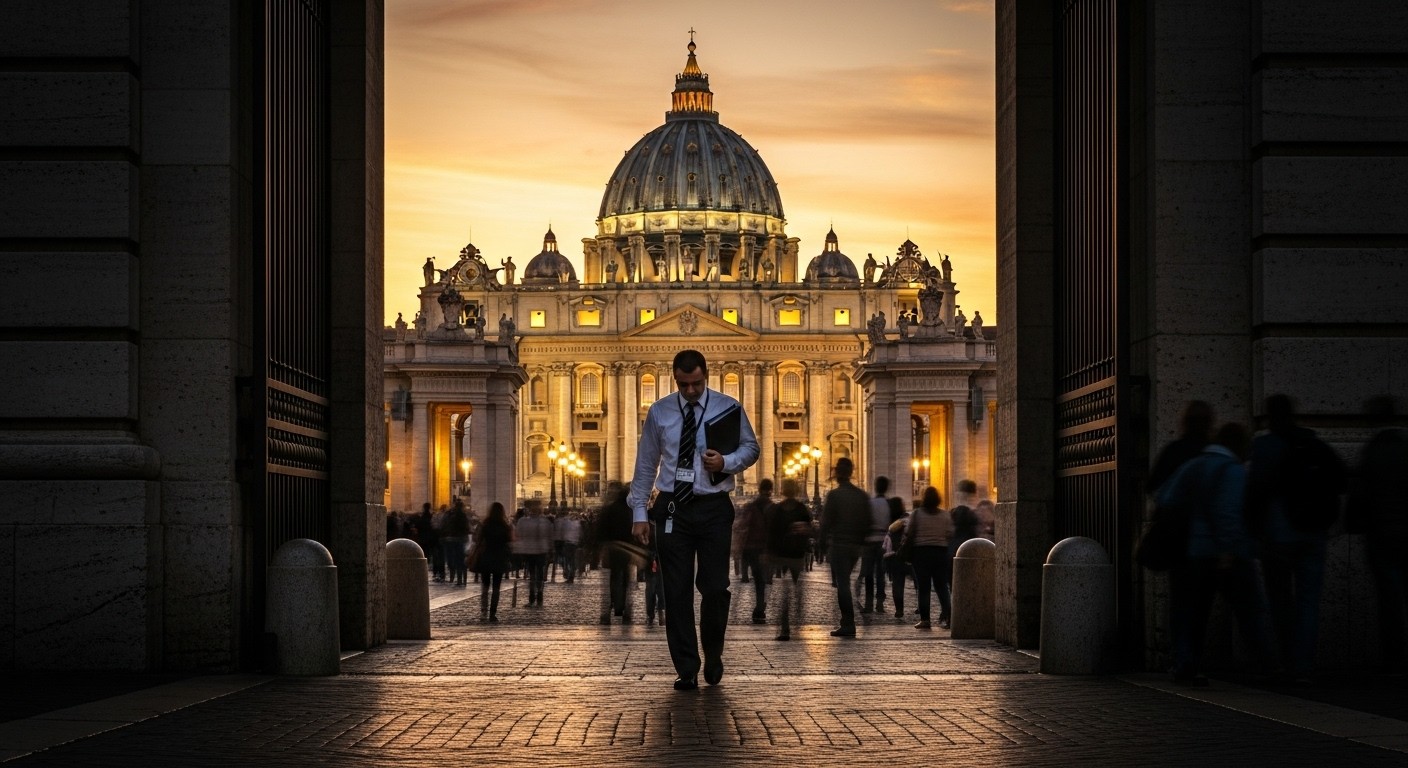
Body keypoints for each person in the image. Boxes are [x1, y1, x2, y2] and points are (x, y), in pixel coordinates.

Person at [628, 349, 760, 691]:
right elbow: (646, 464)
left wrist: (727, 462)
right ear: (675, 379)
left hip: (714, 506)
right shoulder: (659, 412)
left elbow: (751, 448)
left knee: (715, 587)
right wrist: (640, 512)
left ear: (706, 376)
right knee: (676, 590)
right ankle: (686, 666)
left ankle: (713, 652)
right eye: (683, 384)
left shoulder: (727, 407)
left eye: (696, 384)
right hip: (673, 507)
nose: (689, 391)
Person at [1157, 423, 1276, 686]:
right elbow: (1228, 513)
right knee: (1250, 610)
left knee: (1190, 612)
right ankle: (1268, 666)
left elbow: (1165, 497)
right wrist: (1227, 550)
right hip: (1223, 552)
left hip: (1190, 552)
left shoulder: (1194, 465)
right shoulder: (1231, 470)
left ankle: (1185, 664)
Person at [1247, 394, 1347, 683]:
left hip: (1277, 535)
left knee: (1280, 600)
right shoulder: (1313, 443)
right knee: (1308, 602)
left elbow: (1255, 491)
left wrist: (1253, 530)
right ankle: (1303, 664)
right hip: (1313, 533)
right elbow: (1340, 480)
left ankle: (1286, 659)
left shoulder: (1264, 445)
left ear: (1268, 415)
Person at [1347, 395, 1408, 676]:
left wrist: (1353, 524)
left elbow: (1360, 496)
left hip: (1382, 536)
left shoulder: (1372, 451)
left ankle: (1395, 659)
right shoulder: (1403, 448)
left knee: (1389, 600)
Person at [819, 457, 870, 638]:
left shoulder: (834, 495)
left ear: (837, 473)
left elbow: (825, 523)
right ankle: (848, 622)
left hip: (840, 545)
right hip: (855, 546)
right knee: (845, 582)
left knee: (843, 585)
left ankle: (848, 623)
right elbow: (868, 522)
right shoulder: (862, 496)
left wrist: (821, 545)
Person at [766, 478, 812, 640]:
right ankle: (797, 618)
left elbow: (771, 533)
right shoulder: (802, 509)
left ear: (783, 490)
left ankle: (785, 628)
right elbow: (809, 529)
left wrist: (769, 553)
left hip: (782, 556)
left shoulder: (777, 509)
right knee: (797, 589)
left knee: (784, 592)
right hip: (797, 556)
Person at [903, 487, 954, 629]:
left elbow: (909, 531)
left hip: (921, 553)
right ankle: (950, 618)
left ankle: (925, 620)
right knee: (941, 586)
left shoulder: (917, 514)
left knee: (923, 587)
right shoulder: (945, 515)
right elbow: (950, 533)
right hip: (940, 552)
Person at [1149, 401, 1215, 495]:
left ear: (1185, 422)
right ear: (1209, 423)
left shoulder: (1173, 451)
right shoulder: (1215, 452)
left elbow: (1152, 484)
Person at [596, 481, 637, 624]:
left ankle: (608, 610)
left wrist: (597, 549)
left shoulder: (608, 509)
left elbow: (599, 530)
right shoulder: (630, 510)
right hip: (627, 548)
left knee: (612, 579)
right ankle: (624, 610)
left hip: (612, 548)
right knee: (626, 579)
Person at [472, 502, 514, 622]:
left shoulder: (485, 525)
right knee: (496, 587)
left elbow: (478, 539)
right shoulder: (505, 526)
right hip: (499, 558)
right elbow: (509, 541)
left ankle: (483, 611)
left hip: (486, 557)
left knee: (485, 587)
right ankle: (492, 613)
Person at [740, 480, 773, 623]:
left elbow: (743, 525)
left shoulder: (751, 506)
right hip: (766, 548)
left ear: (759, 489)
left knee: (758, 579)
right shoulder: (773, 508)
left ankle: (759, 608)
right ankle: (760, 608)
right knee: (765, 580)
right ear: (771, 490)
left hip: (752, 548)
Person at [860, 477, 893, 614]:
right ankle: (879, 603)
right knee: (881, 574)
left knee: (868, 574)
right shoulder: (889, 504)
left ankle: (868, 604)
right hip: (883, 542)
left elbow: (864, 522)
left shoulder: (869, 503)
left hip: (869, 541)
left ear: (875, 487)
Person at [515, 502, 554, 606]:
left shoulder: (523, 521)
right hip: (541, 550)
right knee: (540, 573)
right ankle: (540, 593)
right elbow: (550, 536)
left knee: (532, 574)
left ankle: (532, 596)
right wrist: (550, 548)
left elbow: (518, 535)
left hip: (529, 551)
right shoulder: (545, 522)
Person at [883, 497, 910, 617]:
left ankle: (899, 609)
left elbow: (886, 544)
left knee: (897, 583)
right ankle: (921, 609)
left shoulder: (890, 524)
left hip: (894, 556)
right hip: (909, 555)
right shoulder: (907, 519)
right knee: (919, 584)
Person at [442, 498, 471, 587]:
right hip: (461, 539)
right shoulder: (464, 516)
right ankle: (462, 580)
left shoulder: (451, 515)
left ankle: (456, 578)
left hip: (452, 539)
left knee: (454, 560)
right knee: (461, 560)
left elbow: (446, 526)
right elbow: (467, 528)